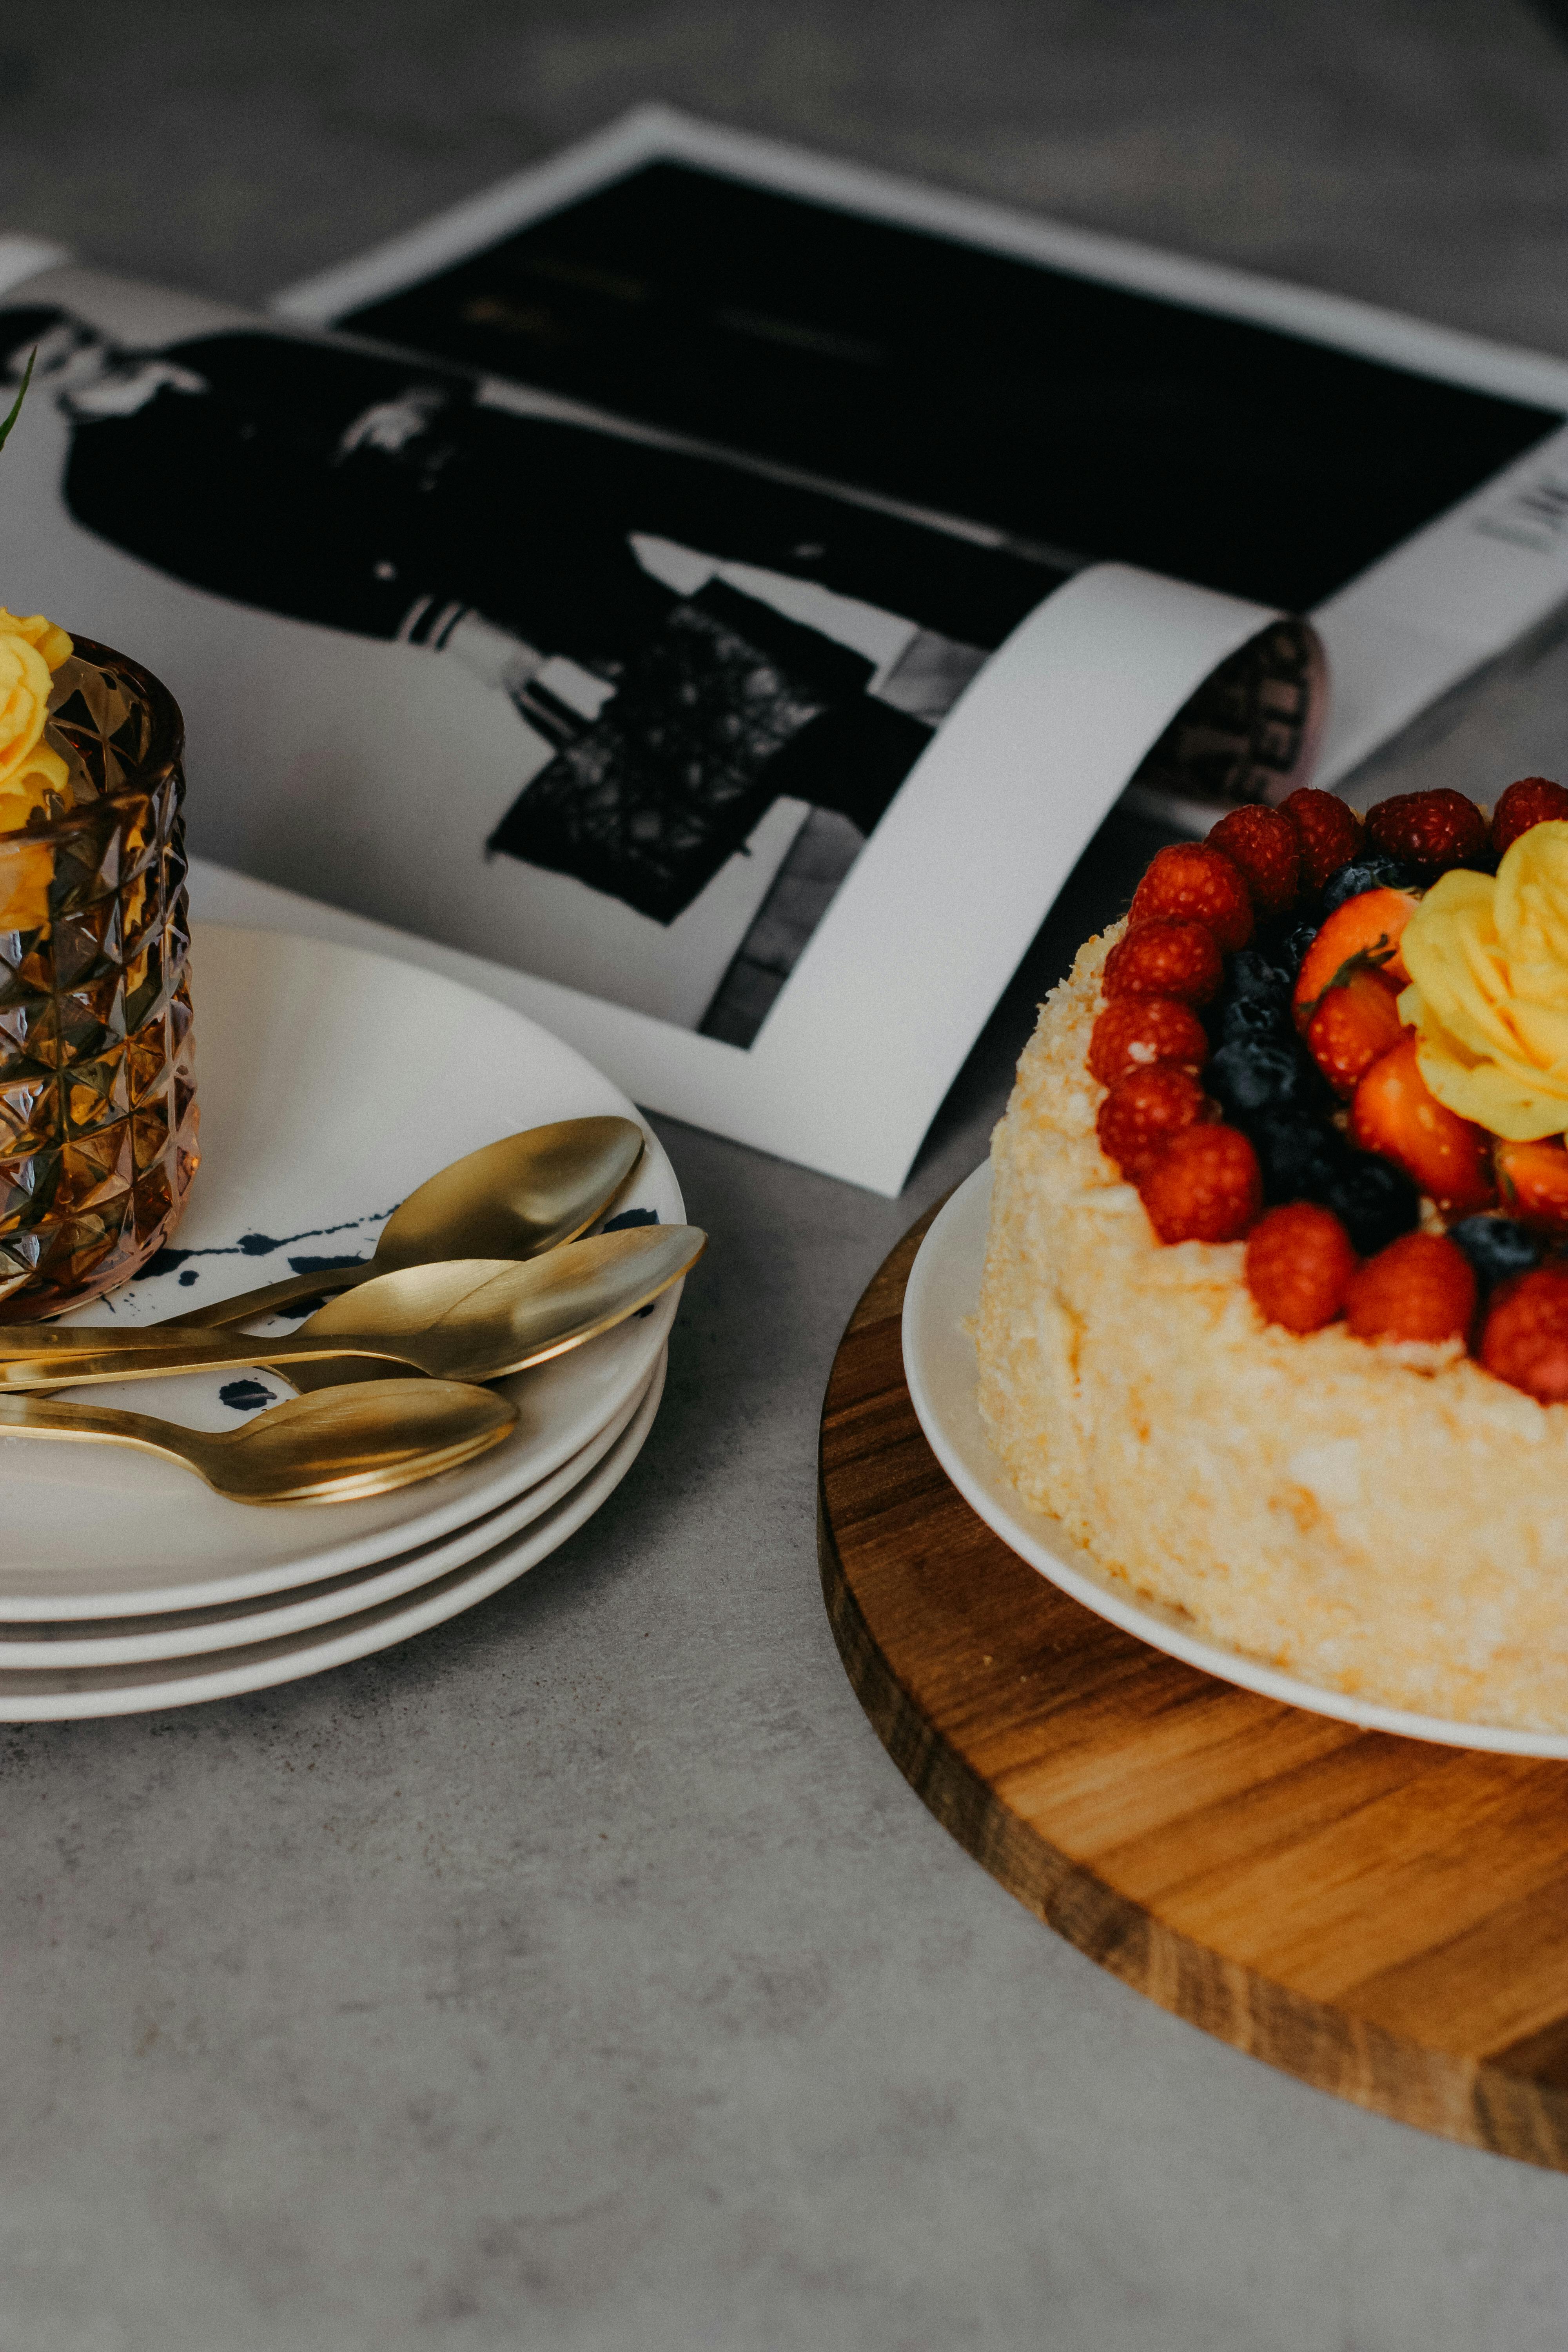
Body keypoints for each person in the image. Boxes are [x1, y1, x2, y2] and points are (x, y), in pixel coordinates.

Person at [2, 307, 1062, 924]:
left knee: (794, 526)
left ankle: (1052, 632)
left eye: (85, 330)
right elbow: (267, 574)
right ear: (25, 385)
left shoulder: (230, 349)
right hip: (470, 563)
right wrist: (447, 627)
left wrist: (411, 403)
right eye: (61, 351)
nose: (93, 348)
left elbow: (427, 372)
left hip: (530, 468)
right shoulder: (107, 486)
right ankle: (937, 806)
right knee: (715, 683)